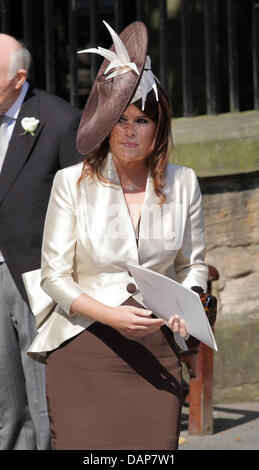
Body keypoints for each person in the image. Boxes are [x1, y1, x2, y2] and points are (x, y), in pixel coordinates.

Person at [26, 21, 208, 450]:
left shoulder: (184, 183)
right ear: (106, 124)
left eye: (141, 120)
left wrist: (189, 302)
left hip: (156, 348)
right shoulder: (71, 182)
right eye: (121, 120)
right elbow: (54, 277)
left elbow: (193, 264)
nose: (129, 131)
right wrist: (110, 315)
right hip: (83, 345)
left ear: (159, 126)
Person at [0, 34, 83, 450]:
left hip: (37, 276)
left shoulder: (59, 119)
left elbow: (83, 207)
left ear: (19, 78)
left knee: (43, 396)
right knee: (5, 401)